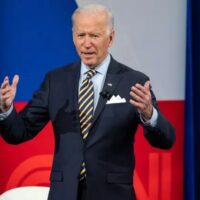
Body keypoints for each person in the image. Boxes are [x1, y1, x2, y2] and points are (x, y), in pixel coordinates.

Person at [0, 4, 175, 200]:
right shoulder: (56, 81)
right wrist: (6, 110)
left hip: (113, 194)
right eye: (81, 35)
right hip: (64, 194)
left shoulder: (132, 81)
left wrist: (149, 114)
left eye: (94, 35)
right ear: (73, 37)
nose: (87, 43)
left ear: (111, 38)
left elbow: (166, 139)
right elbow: (19, 132)